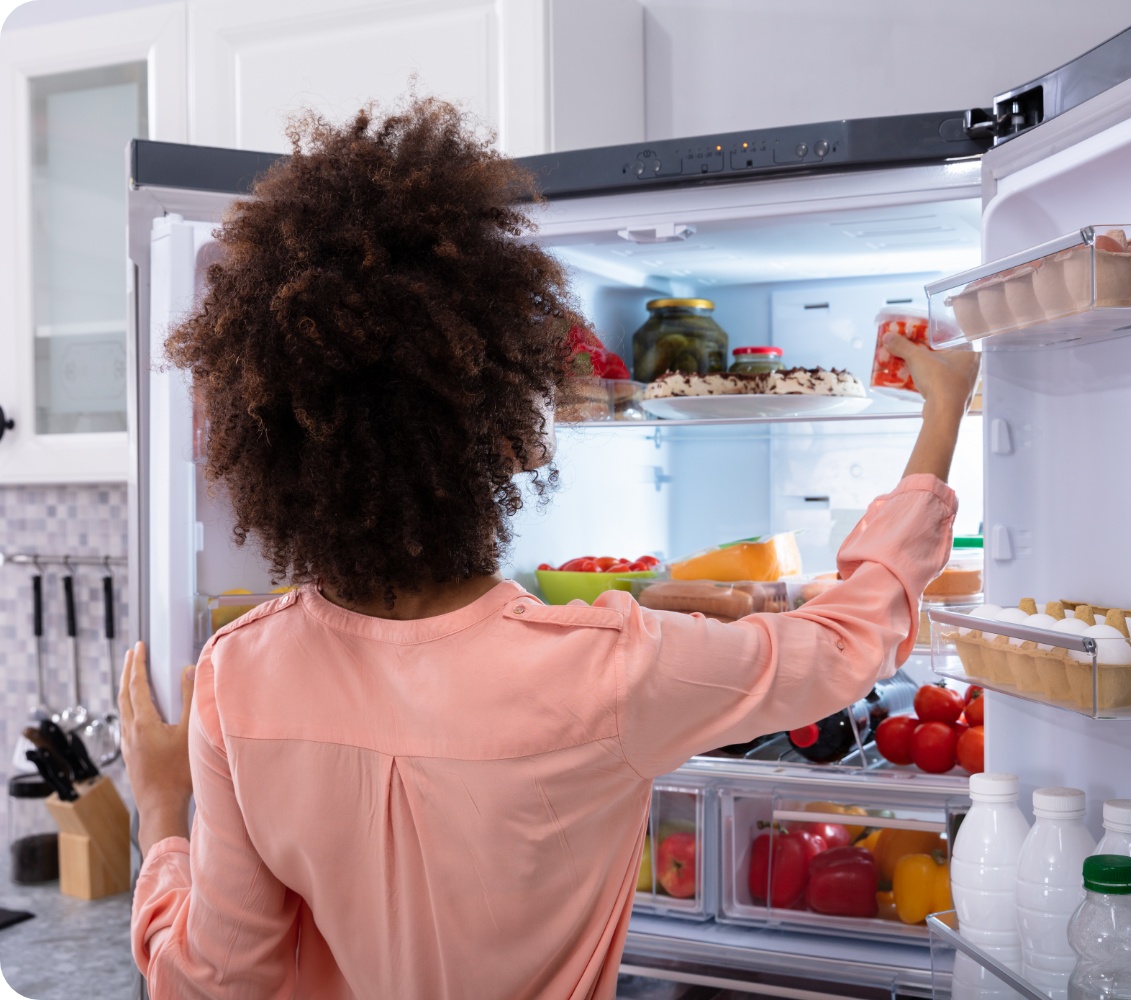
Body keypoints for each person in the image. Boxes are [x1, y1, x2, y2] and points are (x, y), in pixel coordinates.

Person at [120, 97, 980, 1000]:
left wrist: (161, 814)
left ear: (274, 446)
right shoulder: (607, 672)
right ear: (509, 438)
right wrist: (943, 414)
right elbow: (845, 649)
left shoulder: (236, 676)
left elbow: (217, 981)